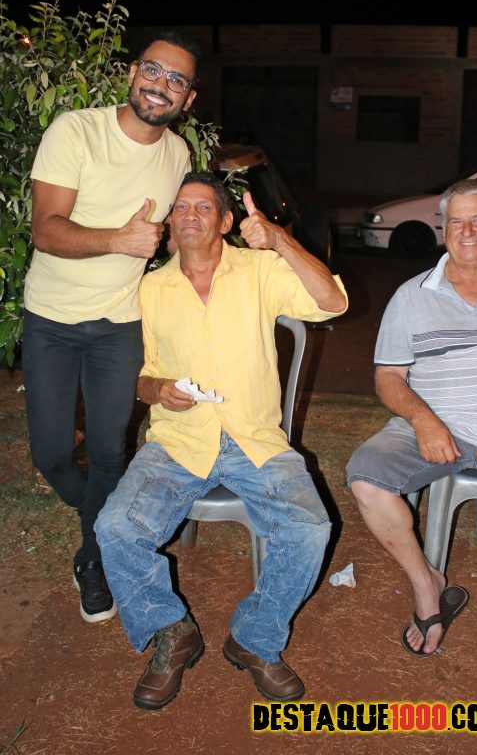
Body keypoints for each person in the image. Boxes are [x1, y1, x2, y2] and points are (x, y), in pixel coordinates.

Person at [95, 171, 347, 709]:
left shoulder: (259, 269)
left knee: (310, 529)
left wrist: (281, 240)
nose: (189, 215)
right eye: (181, 207)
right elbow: (137, 378)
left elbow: (332, 303)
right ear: (170, 222)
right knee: (114, 528)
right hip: (177, 443)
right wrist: (158, 389)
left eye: (203, 207)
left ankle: (254, 639)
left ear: (226, 220)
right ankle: (171, 631)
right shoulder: (149, 289)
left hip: (254, 439)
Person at [22, 31, 199, 623]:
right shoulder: (75, 130)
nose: (161, 86)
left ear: (188, 99)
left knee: (107, 451)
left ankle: (94, 561)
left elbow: (170, 238)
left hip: (121, 324)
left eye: (176, 80)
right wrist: (118, 240)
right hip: (52, 318)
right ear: (132, 73)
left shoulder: (178, 156)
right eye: (153, 70)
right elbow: (46, 230)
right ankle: (100, 519)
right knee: (51, 455)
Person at [347, 179, 477, 669]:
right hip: (429, 427)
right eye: (456, 222)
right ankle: (426, 582)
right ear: (443, 229)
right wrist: (423, 420)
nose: (467, 232)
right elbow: (388, 377)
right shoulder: (411, 296)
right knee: (366, 478)